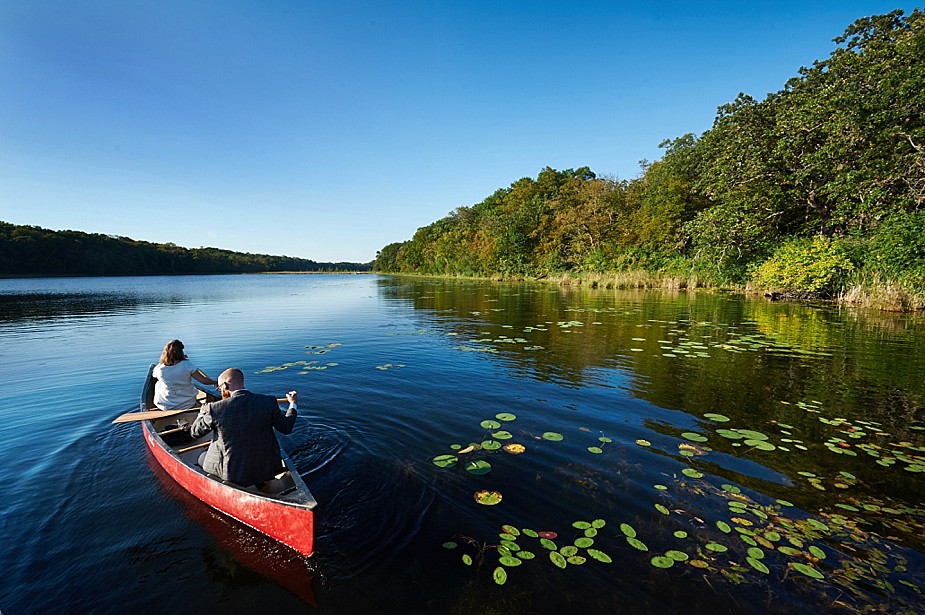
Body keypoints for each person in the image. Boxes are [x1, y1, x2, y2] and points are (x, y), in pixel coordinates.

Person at [189, 367, 298, 487]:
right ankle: (262, 483)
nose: (220, 390)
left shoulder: (214, 409)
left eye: (219, 388)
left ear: (225, 386)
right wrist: (292, 404)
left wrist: (202, 414)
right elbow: (286, 428)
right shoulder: (268, 401)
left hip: (232, 474)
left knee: (201, 458)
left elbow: (195, 433)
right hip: (267, 468)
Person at [153, 340, 218, 410]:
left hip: (166, 406)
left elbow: (154, 375)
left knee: (158, 383)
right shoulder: (187, 365)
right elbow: (204, 381)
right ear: (181, 352)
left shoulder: (159, 368)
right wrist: (215, 382)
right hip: (187, 404)